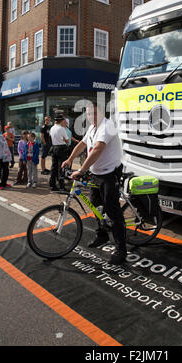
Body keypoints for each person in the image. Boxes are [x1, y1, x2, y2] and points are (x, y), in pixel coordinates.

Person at [62, 102, 126, 265]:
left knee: (113, 211)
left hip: (110, 173)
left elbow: (97, 149)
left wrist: (81, 170)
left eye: (95, 113)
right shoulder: (92, 128)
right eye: (89, 114)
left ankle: (121, 250)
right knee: (96, 206)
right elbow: (82, 144)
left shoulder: (107, 126)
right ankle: (102, 235)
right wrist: (70, 159)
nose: (92, 117)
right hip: (96, 174)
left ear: (102, 113)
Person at [49, 114, 69, 191]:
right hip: (61, 148)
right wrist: (63, 140)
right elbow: (67, 140)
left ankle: (52, 185)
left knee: (54, 167)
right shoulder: (62, 129)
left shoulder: (52, 128)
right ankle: (61, 186)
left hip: (54, 147)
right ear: (61, 120)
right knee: (61, 167)